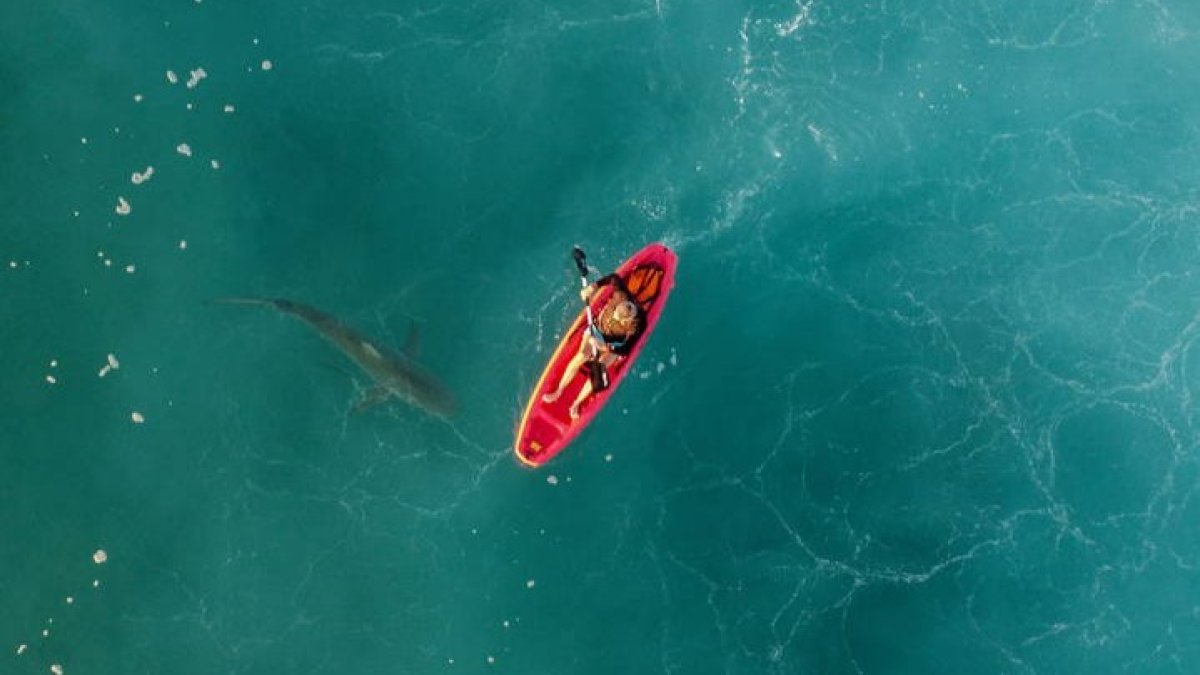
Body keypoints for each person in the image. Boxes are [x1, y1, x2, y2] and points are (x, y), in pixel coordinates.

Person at [542, 273, 645, 419]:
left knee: (601, 365)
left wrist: (606, 347)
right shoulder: (621, 296)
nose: (614, 317)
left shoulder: (636, 325)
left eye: (617, 318)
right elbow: (614, 278)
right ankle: (558, 391)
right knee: (582, 355)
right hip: (596, 329)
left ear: (626, 321)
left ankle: (576, 403)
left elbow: (626, 348)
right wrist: (593, 287)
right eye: (614, 312)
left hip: (614, 343)